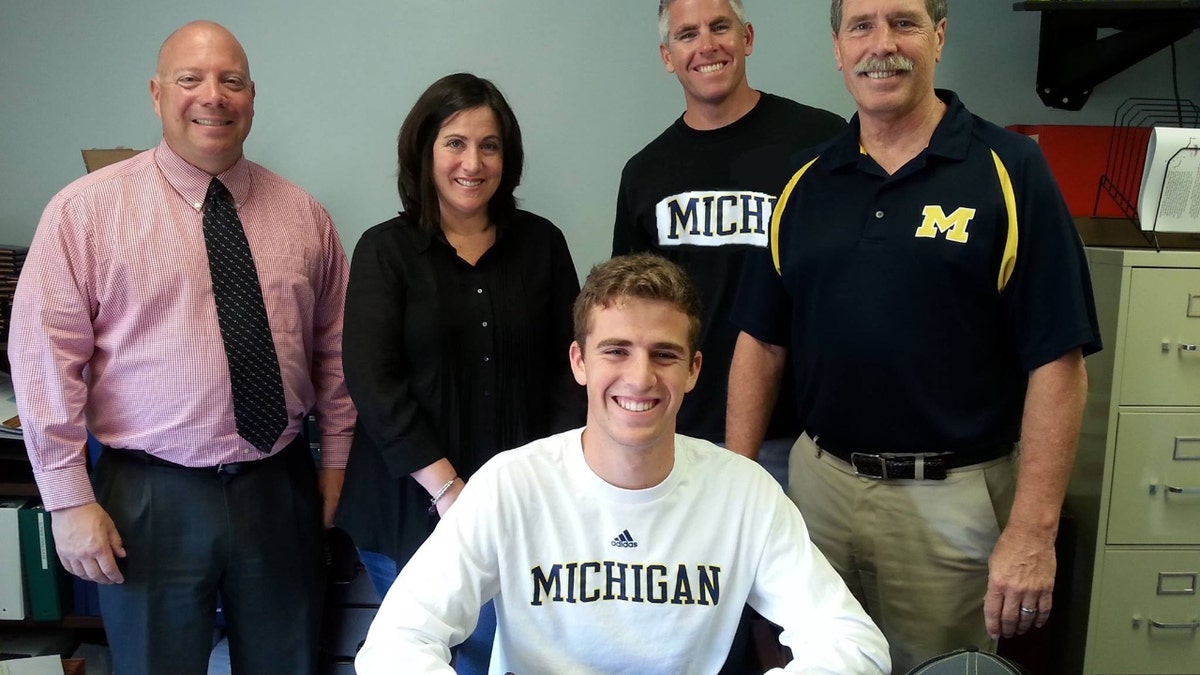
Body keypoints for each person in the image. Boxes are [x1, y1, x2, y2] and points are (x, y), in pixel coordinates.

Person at [726, 0, 1102, 671]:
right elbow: (761, 342)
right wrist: (736, 483)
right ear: (838, 49)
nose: (883, 44)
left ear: (939, 37)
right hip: (820, 489)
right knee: (815, 660)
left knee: (937, 665)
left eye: (904, 22)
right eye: (861, 26)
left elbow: (1059, 361)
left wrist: (1033, 530)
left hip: (952, 500)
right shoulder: (805, 181)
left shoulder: (1009, 171)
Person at [8, 20, 355, 675]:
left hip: (277, 487)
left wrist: (335, 459)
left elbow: (335, 354)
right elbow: (44, 363)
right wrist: (68, 500)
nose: (212, 96)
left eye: (231, 80)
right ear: (156, 93)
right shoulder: (84, 214)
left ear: (252, 97)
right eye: (190, 79)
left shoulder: (305, 216)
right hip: (148, 497)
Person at [354, 253, 891, 675]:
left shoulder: (744, 493)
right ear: (579, 361)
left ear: (694, 369)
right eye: (615, 351)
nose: (640, 378)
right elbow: (397, 639)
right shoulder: (511, 483)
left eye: (664, 354)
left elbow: (853, 643)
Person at [333, 72, 584, 673]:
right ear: (424, 150)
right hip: (408, 512)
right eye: (455, 143)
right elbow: (373, 382)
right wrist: (449, 490)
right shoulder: (384, 251)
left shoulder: (542, 245)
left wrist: (546, 488)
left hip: (521, 515)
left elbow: (570, 373)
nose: (473, 162)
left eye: (489, 145)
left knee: (512, 659)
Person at [612, 0, 845, 486]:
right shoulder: (645, 173)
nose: (707, 45)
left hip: (804, 440)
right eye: (687, 34)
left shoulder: (820, 142)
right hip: (682, 434)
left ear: (748, 38)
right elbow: (632, 312)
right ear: (666, 56)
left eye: (721, 27)